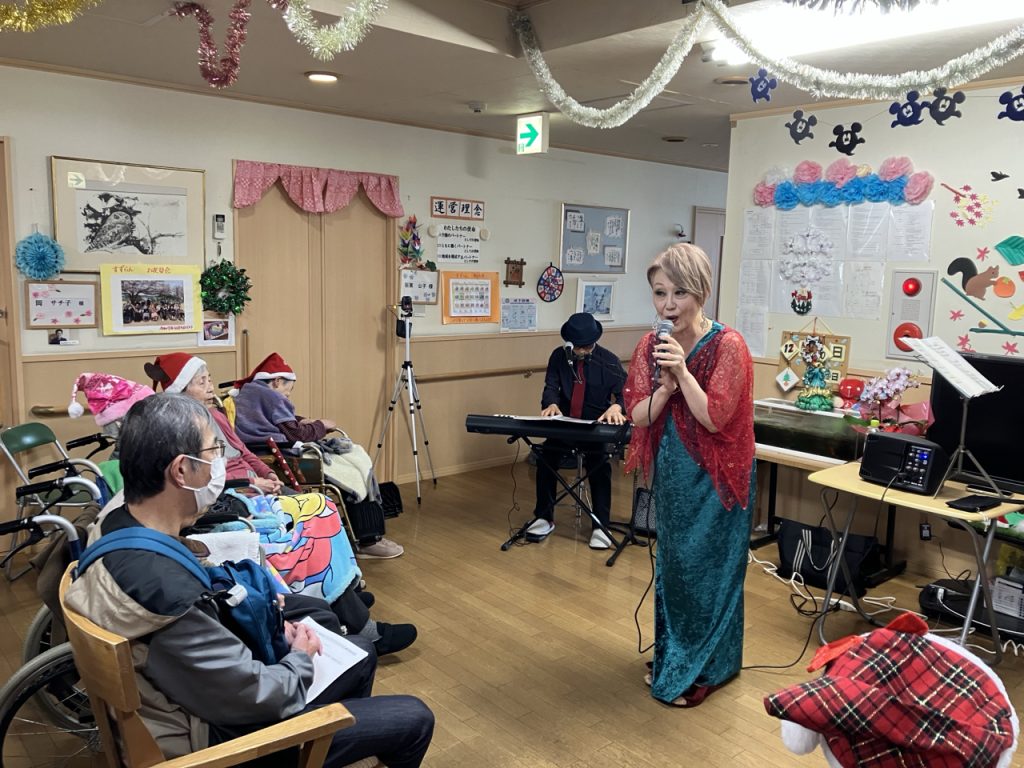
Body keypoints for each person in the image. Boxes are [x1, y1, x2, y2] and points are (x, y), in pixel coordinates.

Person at [64, 394, 434, 767]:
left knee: (361, 652)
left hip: (178, 704)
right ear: (181, 470)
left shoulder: (115, 520)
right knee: (414, 718)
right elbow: (260, 695)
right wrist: (299, 658)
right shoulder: (167, 596)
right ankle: (315, 741)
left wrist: (267, 617)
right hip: (215, 744)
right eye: (214, 451)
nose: (220, 463)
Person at [144, 352, 416, 656]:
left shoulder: (215, 415)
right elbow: (207, 480)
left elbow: (245, 452)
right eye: (201, 381)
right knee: (316, 517)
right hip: (236, 497)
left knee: (321, 506)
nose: (210, 386)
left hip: (254, 485)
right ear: (181, 389)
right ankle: (353, 616)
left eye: (209, 379)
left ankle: (341, 593)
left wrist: (268, 473)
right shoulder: (183, 429)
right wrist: (251, 483)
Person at [624, 243, 755, 708]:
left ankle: (710, 668)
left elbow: (714, 419)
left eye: (680, 293)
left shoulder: (728, 345)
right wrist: (663, 391)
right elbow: (638, 415)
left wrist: (681, 371)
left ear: (701, 292)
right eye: (660, 293)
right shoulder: (649, 345)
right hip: (675, 471)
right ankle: (677, 653)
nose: (669, 305)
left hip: (718, 474)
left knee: (712, 571)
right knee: (676, 568)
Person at [232, 353, 404, 560]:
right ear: (277, 381)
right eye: (288, 389)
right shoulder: (272, 397)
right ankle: (368, 540)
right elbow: (295, 434)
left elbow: (277, 422)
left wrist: (303, 420)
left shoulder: (247, 392)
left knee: (354, 465)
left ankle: (361, 531)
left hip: (266, 452)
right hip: (286, 458)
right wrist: (322, 425)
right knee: (354, 471)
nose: (288, 395)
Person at [526, 312, 626, 550]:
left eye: (586, 347)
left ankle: (600, 526)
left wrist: (617, 406)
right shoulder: (559, 357)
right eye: (577, 347)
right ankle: (544, 517)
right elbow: (551, 386)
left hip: (594, 428)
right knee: (545, 458)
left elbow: (626, 392)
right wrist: (551, 403)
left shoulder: (608, 361)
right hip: (565, 424)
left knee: (600, 466)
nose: (581, 351)